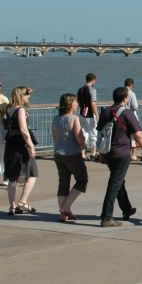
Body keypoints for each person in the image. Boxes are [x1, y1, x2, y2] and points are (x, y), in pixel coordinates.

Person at [96, 86, 142, 227]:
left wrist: (101, 153)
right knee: (114, 184)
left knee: (118, 181)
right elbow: (138, 134)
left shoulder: (105, 112)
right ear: (125, 98)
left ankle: (127, 210)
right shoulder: (127, 113)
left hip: (108, 153)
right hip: (122, 153)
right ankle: (106, 217)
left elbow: (100, 134)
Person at [51, 93, 88, 223]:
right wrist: (84, 143)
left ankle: (63, 213)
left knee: (63, 182)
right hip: (72, 154)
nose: (77, 104)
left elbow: (54, 137)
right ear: (70, 104)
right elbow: (79, 137)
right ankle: (66, 208)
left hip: (58, 154)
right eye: (76, 102)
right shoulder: (74, 118)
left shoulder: (56, 119)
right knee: (82, 180)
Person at [3, 86, 38, 216]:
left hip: (10, 145)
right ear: (22, 96)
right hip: (21, 145)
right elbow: (23, 129)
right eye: (27, 95)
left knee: (13, 177)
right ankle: (23, 201)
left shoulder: (9, 108)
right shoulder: (21, 110)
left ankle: (12, 206)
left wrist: (27, 90)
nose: (29, 97)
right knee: (32, 174)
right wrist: (31, 146)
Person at [76, 73, 99, 160]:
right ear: (93, 80)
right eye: (95, 80)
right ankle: (93, 153)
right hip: (90, 114)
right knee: (94, 133)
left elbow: (78, 101)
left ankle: (83, 154)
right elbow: (93, 104)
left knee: (84, 132)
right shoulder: (92, 90)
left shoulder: (80, 89)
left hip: (82, 113)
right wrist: (97, 115)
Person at [124, 78, 140, 160]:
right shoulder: (132, 94)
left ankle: (126, 153)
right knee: (134, 135)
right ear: (131, 85)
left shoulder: (121, 92)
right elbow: (134, 106)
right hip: (132, 116)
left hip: (122, 116)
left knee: (125, 135)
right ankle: (133, 154)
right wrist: (137, 108)